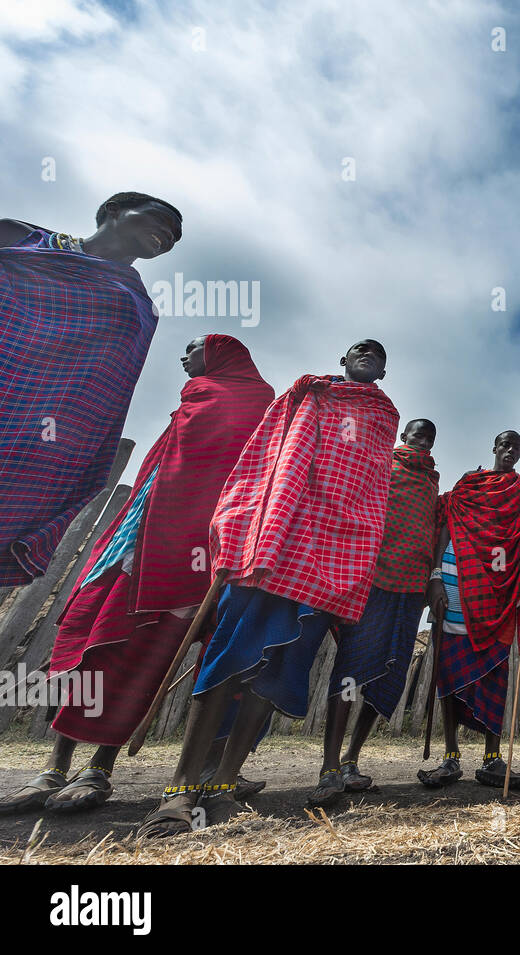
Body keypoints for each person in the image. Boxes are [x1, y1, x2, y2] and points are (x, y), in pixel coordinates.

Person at [135, 341, 398, 837]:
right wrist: (241, 526)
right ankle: (180, 788)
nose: (367, 353)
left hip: (334, 555)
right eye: (358, 348)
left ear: (384, 370)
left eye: (376, 353)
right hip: (275, 541)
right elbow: (263, 460)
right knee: (229, 659)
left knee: (275, 670)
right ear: (342, 360)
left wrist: (357, 559)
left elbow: (372, 491)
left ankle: (223, 787)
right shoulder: (307, 395)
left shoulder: (384, 415)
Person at [0, 335, 271, 815]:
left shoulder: (253, 401)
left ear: (218, 351)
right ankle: (53, 768)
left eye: (192, 348)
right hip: (128, 542)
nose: (183, 357)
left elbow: (243, 479)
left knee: (137, 656)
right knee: (81, 646)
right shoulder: (194, 397)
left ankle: (98, 771)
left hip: (181, 554)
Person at [0, 193, 182, 585]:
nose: (169, 235)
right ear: (113, 211)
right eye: (162, 220)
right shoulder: (20, 239)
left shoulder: (139, 304)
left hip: (31, 436)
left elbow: (106, 389)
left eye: (175, 237)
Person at [312, 418, 444, 807]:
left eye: (430, 436)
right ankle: (329, 766)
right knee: (352, 668)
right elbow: (357, 511)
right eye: (418, 432)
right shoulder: (382, 466)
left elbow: (432, 532)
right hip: (374, 581)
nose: (423, 439)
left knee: (389, 672)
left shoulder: (432, 483)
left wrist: (433, 578)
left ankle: (352, 760)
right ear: (404, 436)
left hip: (411, 588)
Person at [419, 431, 520, 791]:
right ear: (494, 447)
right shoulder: (470, 483)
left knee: (495, 676)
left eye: (516, 448)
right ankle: (451, 757)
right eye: (504, 445)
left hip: (499, 594)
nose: (509, 452)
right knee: (449, 677)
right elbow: (446, 524)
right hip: (455, 585)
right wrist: (435, 577)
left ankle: (492, 759)